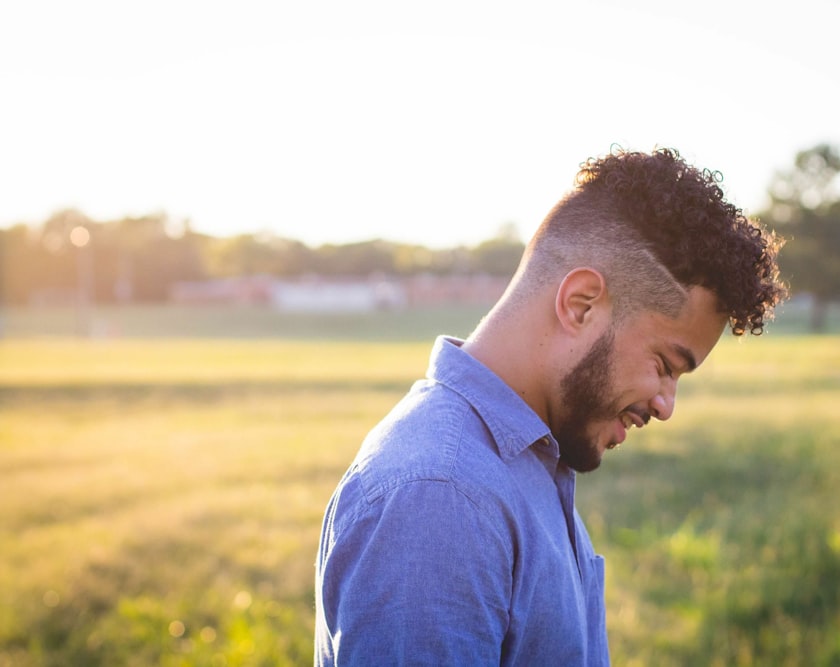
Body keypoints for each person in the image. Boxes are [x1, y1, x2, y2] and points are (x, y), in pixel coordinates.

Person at [314, 147, 786, 665]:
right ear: (581, 304)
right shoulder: (441, 497)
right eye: (665, 365)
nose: (666, 405)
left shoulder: (526, 458)